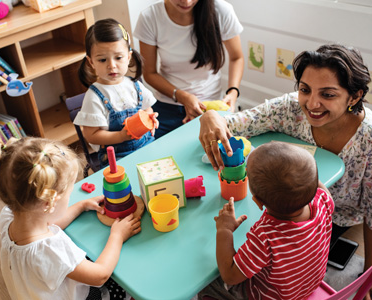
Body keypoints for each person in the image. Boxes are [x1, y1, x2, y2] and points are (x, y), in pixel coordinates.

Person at [199, 44, 372, 299]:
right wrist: (211, 117)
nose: (312, 103)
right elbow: (234, 124)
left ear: (354, 97)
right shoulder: (289, 110)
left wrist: (368, 274)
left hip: (334, 221)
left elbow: (371, 211)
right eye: (305, 89)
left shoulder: (368, 138)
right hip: (312, 219)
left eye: (328, 94)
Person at [0, 135, 141, 300]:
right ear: (48, 203)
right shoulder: (52, 250)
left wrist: (80, 206)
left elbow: (48, 222)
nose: (70, 198)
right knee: (122, 286)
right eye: (68, 194)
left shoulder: (9, 217)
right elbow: (100, 275)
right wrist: (117, 236)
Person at [198, 141, 334, 300]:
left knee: (208, 283)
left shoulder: (265, 236)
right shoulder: (322, 200)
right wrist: (305, 177)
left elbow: (229, 275)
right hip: (306, 287)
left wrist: (224, 230)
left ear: (257, 201)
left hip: (271, 296)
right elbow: (321, 189)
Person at [133, 0, 244, 138]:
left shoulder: (222, 11)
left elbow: (236, 58)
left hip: (210, 105)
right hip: (168, 104)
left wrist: (233, 92)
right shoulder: (150, 17)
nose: (186, 1)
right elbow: (149, 73)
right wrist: (183, 96)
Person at [75, 18, 159, 168]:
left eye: (118, 58)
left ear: (128, 56)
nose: (111, 66)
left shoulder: (135, 85)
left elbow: (147, 109)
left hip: (147, 145)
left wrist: (150, 120)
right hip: (117, 157)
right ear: (91, 62)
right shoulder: (94, 97)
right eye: (102, 60)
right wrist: (121, 136)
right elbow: (91, 135)